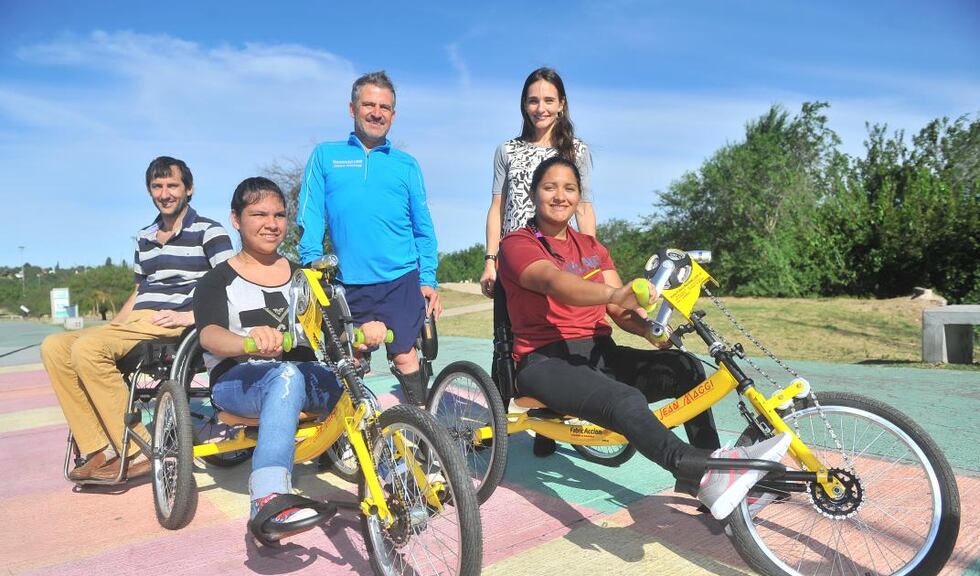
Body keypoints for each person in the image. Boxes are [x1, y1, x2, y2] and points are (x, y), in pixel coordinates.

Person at [497, 157, 791, 520]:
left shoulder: (591, 247)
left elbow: (621, 311)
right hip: (545, 360)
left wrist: (651, 330)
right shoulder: (518, 243)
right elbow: (554, 283)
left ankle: (712, 480)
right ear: (534, 193)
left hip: (598, 355)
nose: (560, 196)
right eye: (550, 187)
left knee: (684, 368)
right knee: (625, 399)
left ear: (578, 197)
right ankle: (699, 470)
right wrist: (613, 295)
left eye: (569, 188)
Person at [41, 156, 234, 482]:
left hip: (172, 321)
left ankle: (138, 448)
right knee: (54, 346)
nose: (165, 192)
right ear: (149, 191)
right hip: (137, 320)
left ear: (189, 188)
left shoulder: (209, 231)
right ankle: (97, 447)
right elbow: (139, 290)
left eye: (172, 185)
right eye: (157, 186)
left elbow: (230, 281)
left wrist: (190, 316)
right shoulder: (144, 236)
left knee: (88, 349)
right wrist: (113, 326)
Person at [194, 177, 343, 544]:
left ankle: (397, 470)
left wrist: (362, 331)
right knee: (285, 376)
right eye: (258, 213)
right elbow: (208, 334)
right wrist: (247, 342)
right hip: (239, 382)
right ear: (235, 219)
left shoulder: (304, 277)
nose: (271, 223)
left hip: (302, 376)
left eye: (279, 214)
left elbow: (334, 332)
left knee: (350, 382)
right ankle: (268, 495)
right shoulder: (217, 281)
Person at [296, 70, 439, 407]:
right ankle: (350, 439)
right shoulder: (325, 156)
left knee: (405, 357)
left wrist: (428, 277)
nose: (377, 112)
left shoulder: (406, 165)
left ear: (393, 114)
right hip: (347, 281)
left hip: (401, 279)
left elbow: (423, 226)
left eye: (385, 107)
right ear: (352, 108)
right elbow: (311, 215)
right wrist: (311, 265)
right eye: (369, 104)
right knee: (353, 359)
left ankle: (423, 432)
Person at [480, 67, 599, 455]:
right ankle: (498, 426)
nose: (541, 107)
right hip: (517, 261)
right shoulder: (507, 150)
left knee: (556, 340)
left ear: (561, 104)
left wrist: (592, 261)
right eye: (533, 100)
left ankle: (549, 426)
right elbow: (498, 208)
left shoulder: (576, 151)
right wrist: (490, 259)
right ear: (524, 104)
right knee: (505, 344)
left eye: (549, 100)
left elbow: (585, 208)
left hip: (559, 263)